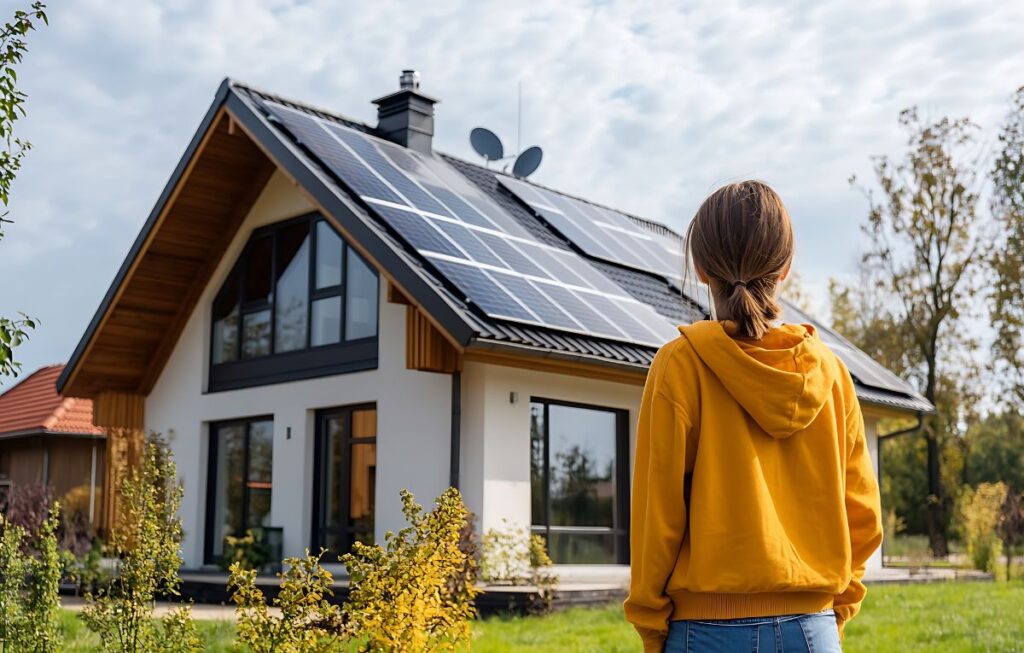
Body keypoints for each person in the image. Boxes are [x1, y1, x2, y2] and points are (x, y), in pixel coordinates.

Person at [623, 181, 883, 653]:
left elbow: (656, 519)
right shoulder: (832, 374)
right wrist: (831, 611)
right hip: (814, 631)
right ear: (785, 268)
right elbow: (863, 518)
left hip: (703, 634)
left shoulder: (680, 366)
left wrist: (652, 627)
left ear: (701, 269)